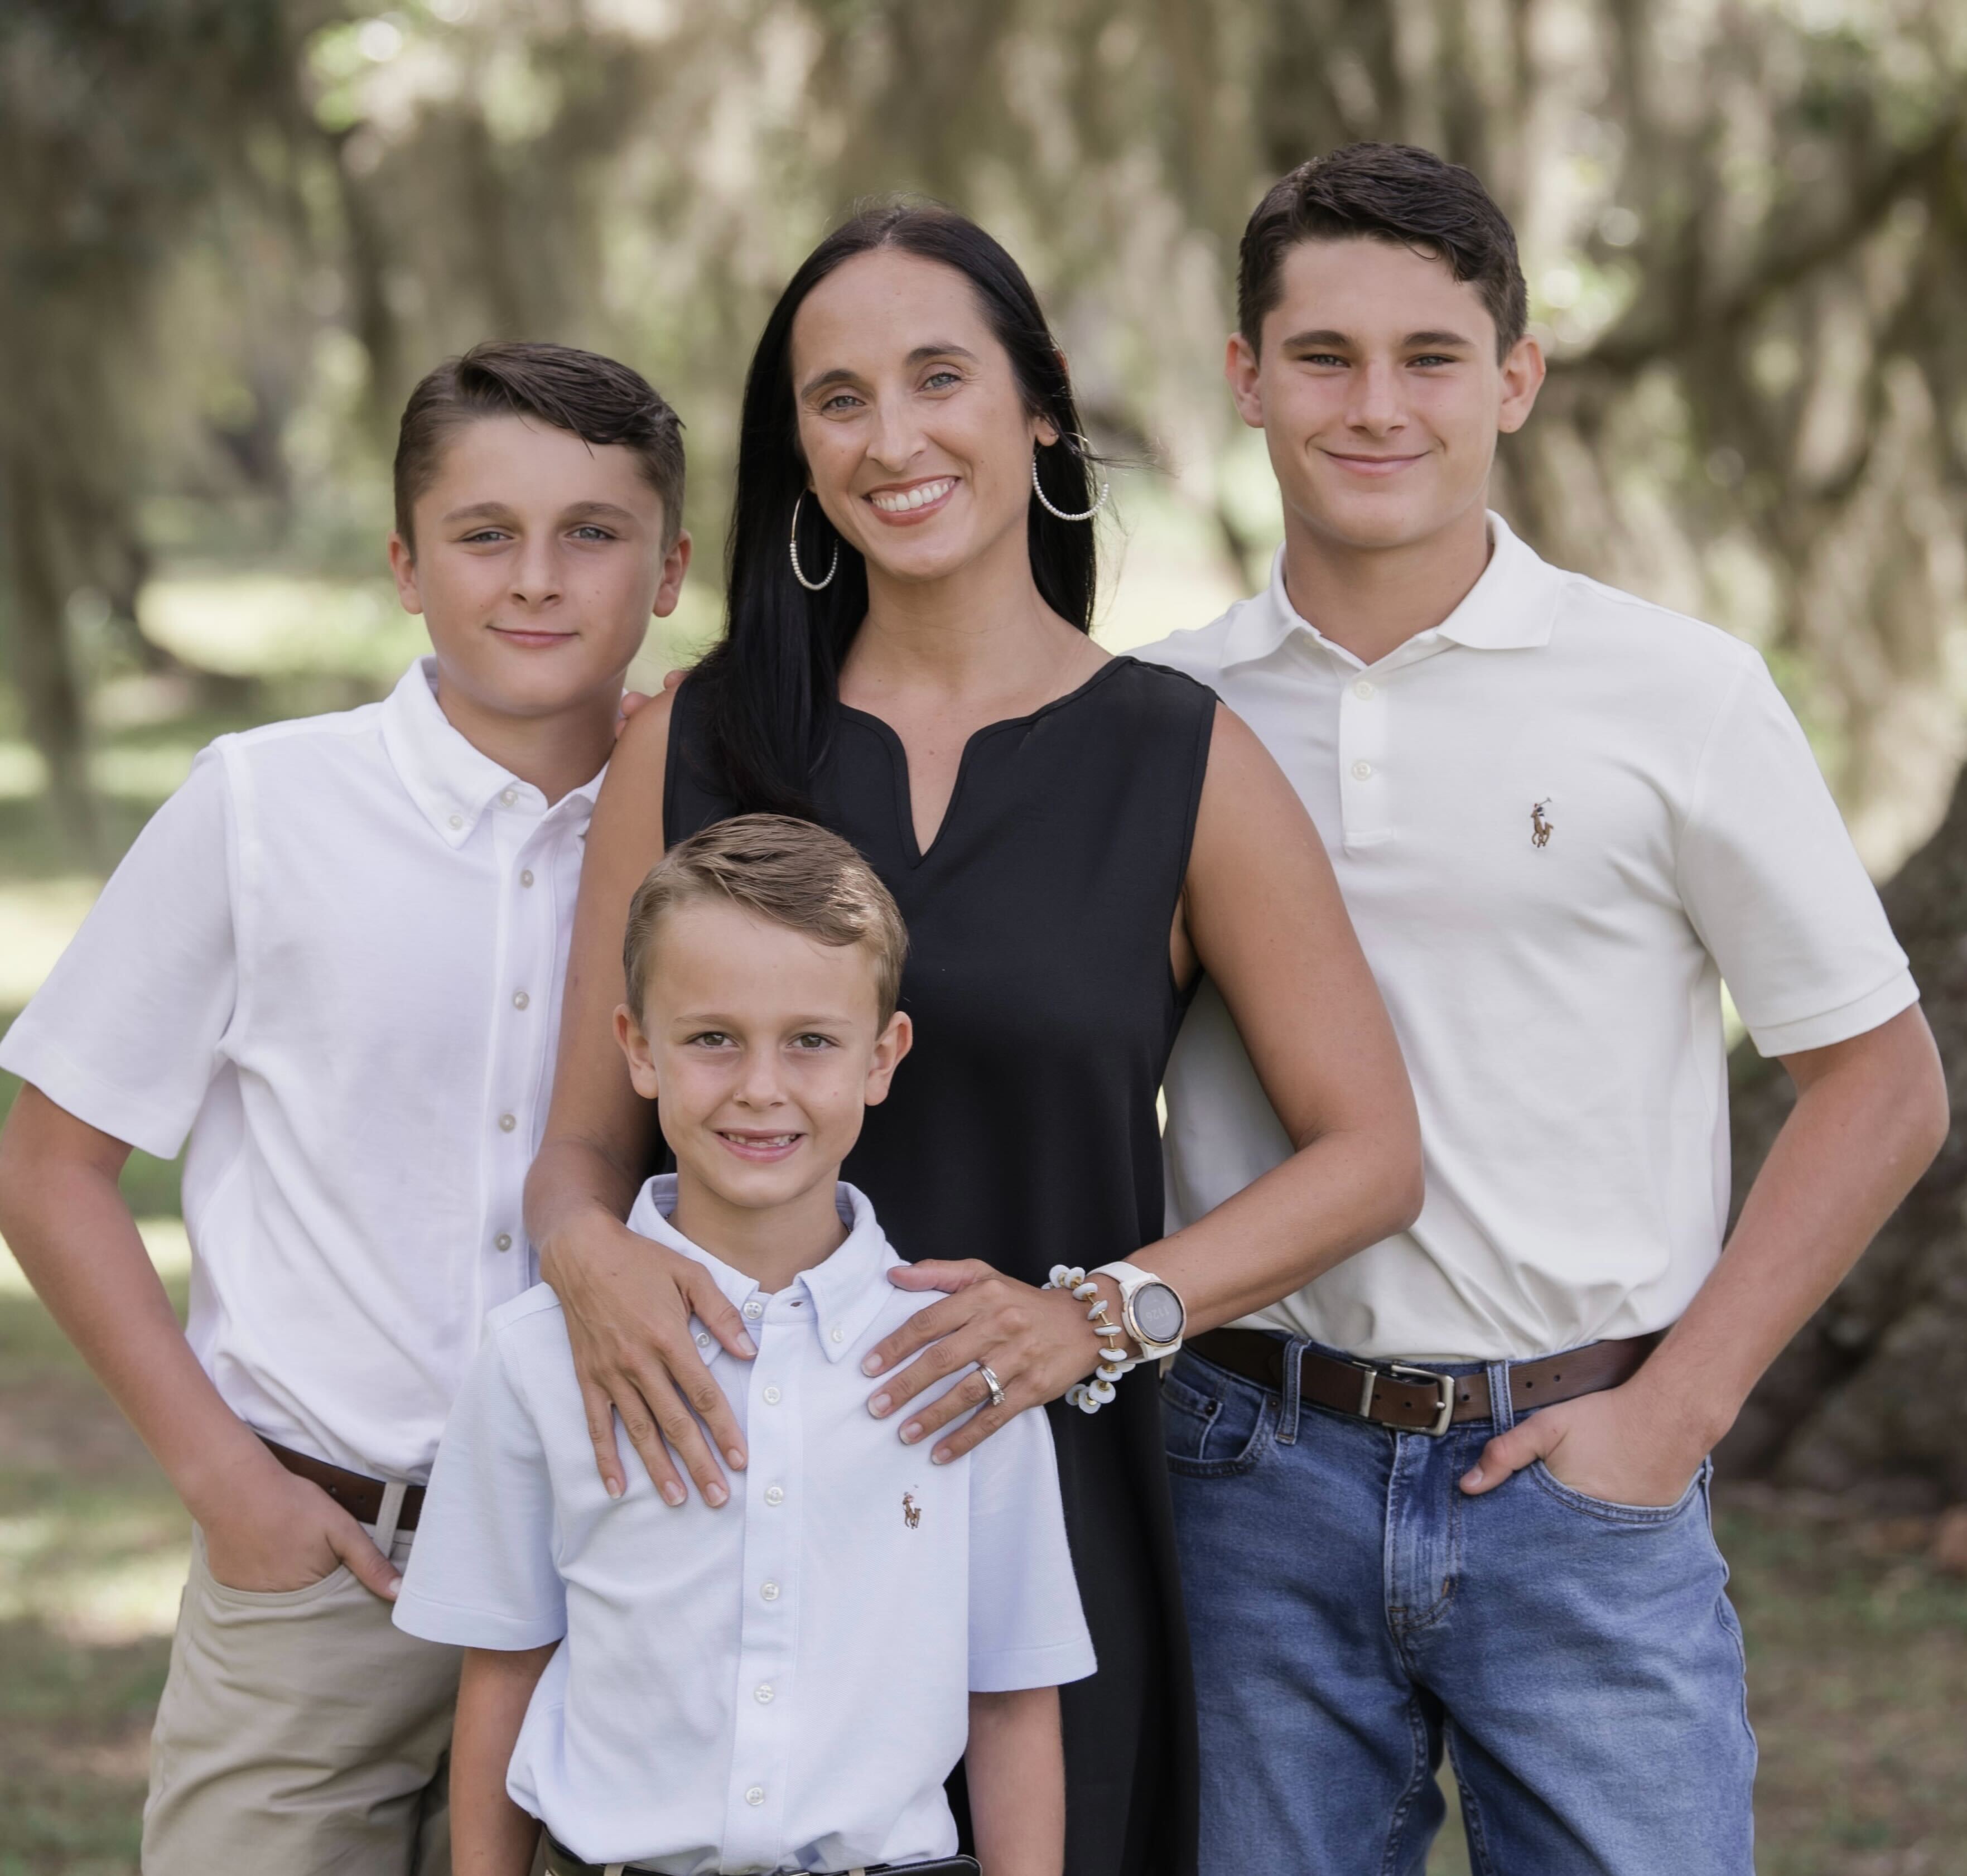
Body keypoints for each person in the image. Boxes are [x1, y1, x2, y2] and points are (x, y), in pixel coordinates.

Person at [523, 201, 1423, 1876]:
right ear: (796, 452)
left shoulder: (1179, 759)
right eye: (838, 398)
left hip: (1036, 1529)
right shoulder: (694, 739)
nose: (893, 439)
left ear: (1041, 404)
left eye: (939, 377)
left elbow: (1370, 1153)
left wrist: (1099, 1313)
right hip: (712, 1513)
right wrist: (583, 1255)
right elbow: (581, 1139)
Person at [1140, 142, 1950, 1875]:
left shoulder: (1673, 693)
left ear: (1512, 378)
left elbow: (1879, 1083)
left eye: (1428, 357)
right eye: (1322, 356)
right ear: (1244, 378)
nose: (1375, 406)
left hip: (1583, 1473)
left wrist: (1675, 1413)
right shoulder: (1154, 713)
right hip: (1245, 1472)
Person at [0, 341, 691, 1874]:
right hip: (323, 1565)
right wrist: (223, 1481)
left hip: (616, 1578)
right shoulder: (262, 807)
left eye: (591, 531)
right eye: (483, 532)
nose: (536, 577)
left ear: (669, 570)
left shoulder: (708, 837)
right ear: (403, 563)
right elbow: (48, 1167)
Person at [398, 814, 1095, 1876]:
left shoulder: (964, 1360)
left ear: (882, 1057)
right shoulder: (536, 1355)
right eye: (712, 1038)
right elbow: (504, 1666)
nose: (761, 1087)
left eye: (811, 1040)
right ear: (639, 1048)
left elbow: (1010, 1696)